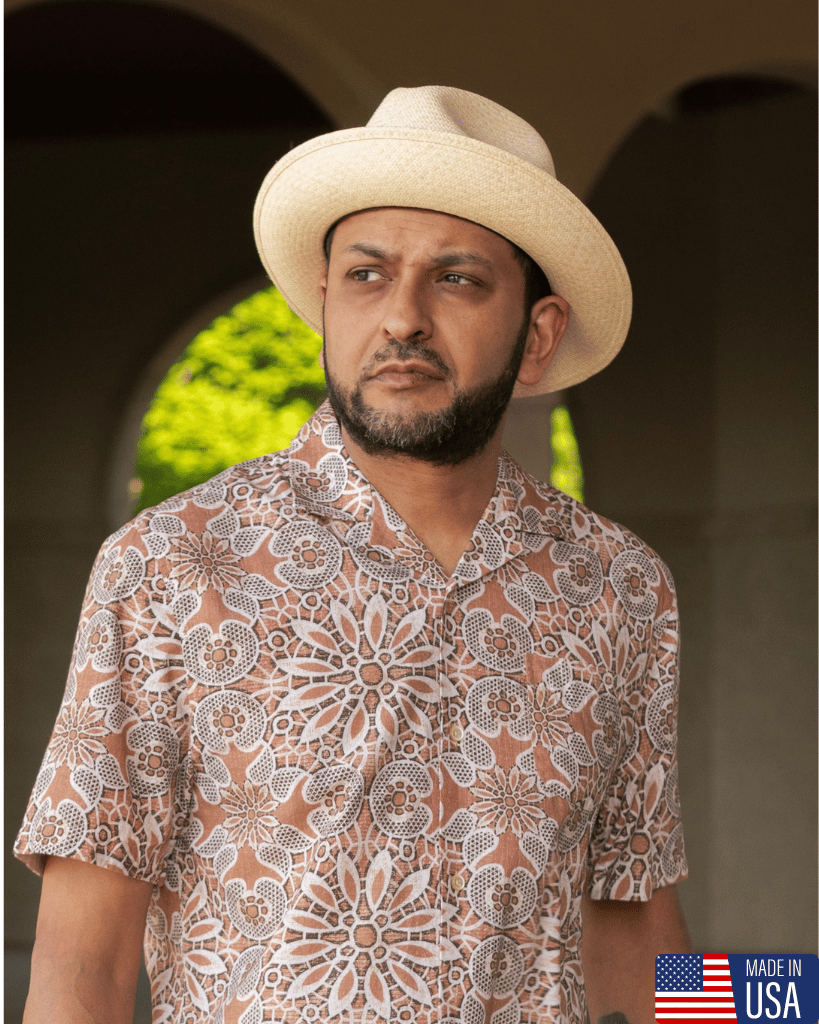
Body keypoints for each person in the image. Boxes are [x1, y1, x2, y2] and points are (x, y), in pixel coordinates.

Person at [17, 85, 691, 1024]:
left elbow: (638, 924)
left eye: (456, 279)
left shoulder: (618, 587)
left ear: (536, 337)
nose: (402, 317)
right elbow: (78, 969)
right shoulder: (174, 565)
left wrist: (774, 1005)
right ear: (326, 305)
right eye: (367, 274)